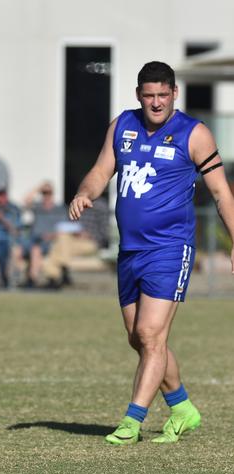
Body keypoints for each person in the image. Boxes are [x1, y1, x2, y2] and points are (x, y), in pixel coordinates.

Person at [69, 61, 234, 445]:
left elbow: (222, 193)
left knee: (150, 333)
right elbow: (99, 171)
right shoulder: (122, 125)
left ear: (175, 94)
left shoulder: (194, 134)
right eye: (149, 95)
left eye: (163, 95)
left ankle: (132, 422)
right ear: (138, 95)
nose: (156, 103)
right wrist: (84, 193)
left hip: (170, 248)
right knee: (139, 339)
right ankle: (182, 407)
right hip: (130, 251)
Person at [41, 196, 110, 289]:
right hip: (74, 239)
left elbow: (104, 233)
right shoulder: (77, 202)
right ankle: (63, 271)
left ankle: (54, 278)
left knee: (57, 248)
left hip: (92, 242)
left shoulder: (101, 206)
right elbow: (69, 224)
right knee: (62, 238)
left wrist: (89, 235)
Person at [20, 181, 67, 288]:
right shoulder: (38, 207)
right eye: (44, 193)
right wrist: (38, 188)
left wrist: (51, 235)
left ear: (52, 193)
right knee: (17, 248)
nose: (46, 195)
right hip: (34, 240)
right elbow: (25, 201)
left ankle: (32, 280)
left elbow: (63, 229)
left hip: (50, 242)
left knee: (36, 250)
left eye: (48, 192)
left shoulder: (59, 209)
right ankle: (10, 282)